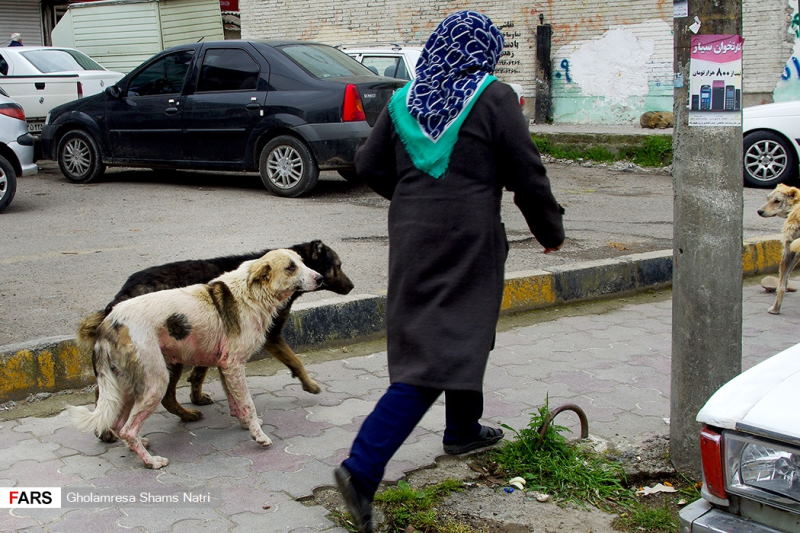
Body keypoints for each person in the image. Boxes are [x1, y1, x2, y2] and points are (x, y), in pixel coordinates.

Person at [333, 10, 565, 533]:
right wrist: (549, 231)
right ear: (484, 51)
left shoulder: (402, 100)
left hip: (413, 238)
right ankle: (361, 469)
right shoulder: (494, 97)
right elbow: (528, 172)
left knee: (459, 328)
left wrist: (415, 197)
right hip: (469, 239)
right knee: (436, 355)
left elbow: (368, 165)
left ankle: (462, 429)